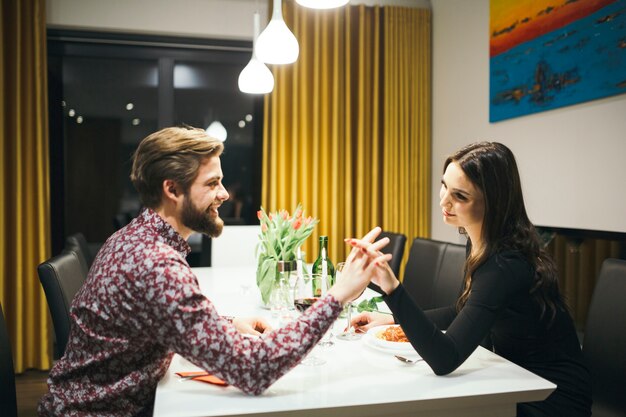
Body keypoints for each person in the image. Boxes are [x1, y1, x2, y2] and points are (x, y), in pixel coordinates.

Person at [38, 126, 390, 416]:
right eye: (211, 183)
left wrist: (225, 323)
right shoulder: (156, 265)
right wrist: (337, 295)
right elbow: (254, 370)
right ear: (172, 190)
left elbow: (163, 316)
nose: (224, 193)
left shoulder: (132, 237)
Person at [350, 142, 592, 417]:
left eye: (460, 196)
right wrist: (393, 320)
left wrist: (393, 289)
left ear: (494, 202)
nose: (444, 201)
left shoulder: (504, 264)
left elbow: (445, 359)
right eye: (444, 186)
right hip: (512, 377)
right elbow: (463, 311)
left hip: (549, 397)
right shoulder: (479, 242)